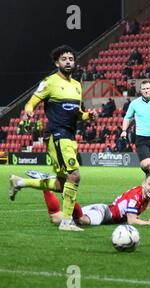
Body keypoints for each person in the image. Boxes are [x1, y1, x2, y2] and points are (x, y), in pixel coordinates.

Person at [9, 45, 97, 232]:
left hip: (70, 135)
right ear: (57, 62)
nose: (68, 62)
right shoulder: (49, 82)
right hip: (57, 134)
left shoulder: (77, 85)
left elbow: (77, 113)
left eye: (71, 59)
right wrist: (29, 114)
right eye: (64, 59)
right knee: (75, 175)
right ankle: (66, 222)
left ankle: (20, 182)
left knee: (61, 184)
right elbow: (30, 104)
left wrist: (88, 116)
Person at [30, 171, 150, 227]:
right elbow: (131, 221)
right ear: (143, 183)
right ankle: (68, 194)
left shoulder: (143, 192)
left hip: (103, 208)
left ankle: (45, 185)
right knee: (81, 220)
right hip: (105, 214)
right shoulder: (136, 196)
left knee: (56, 218)